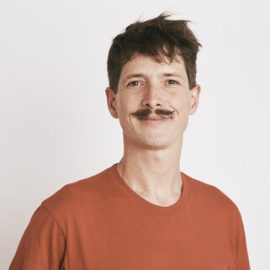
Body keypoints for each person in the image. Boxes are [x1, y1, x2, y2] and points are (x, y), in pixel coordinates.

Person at [9, 13, 250, 269]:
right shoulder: (63, 216)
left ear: (193, 98)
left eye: (170, 81)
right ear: (113, 102)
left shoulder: (224, 216)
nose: (153, 99)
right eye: (136, 83)